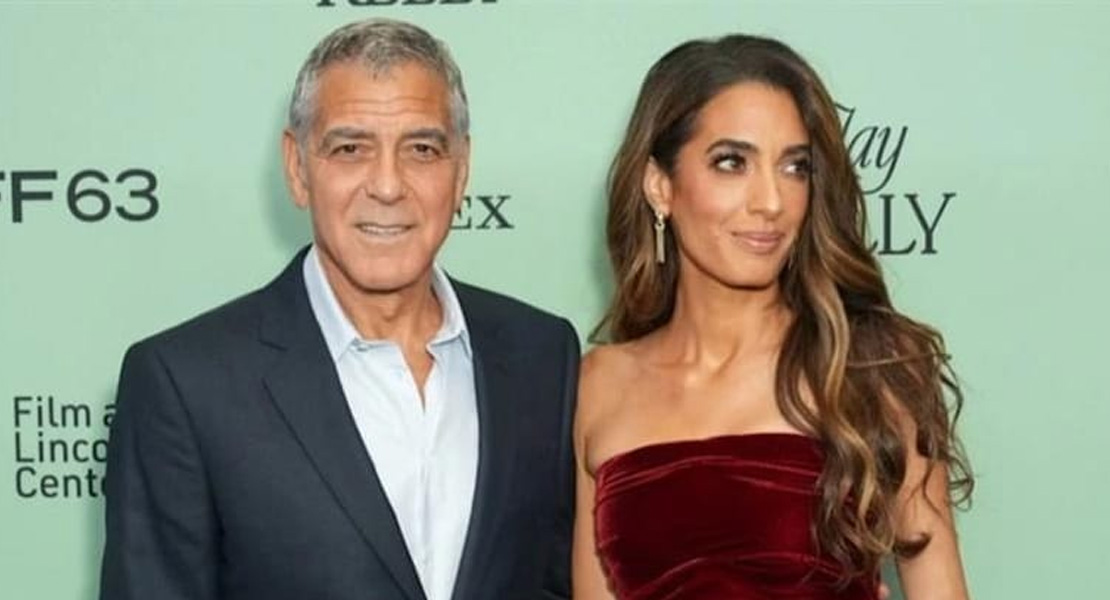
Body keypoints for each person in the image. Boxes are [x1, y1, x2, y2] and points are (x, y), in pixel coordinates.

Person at [99, 18, 577, 600]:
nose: (387, 185)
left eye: (422, 150)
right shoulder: (185, 382)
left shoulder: (542, 355)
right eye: (350, 149)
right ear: (298, 167)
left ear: (461, 170)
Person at [573, 34, 973, 599]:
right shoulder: (599, 384)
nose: (771, 201)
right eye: (732, 163)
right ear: (660, 186)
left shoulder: (870, 366)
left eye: (794, 166)